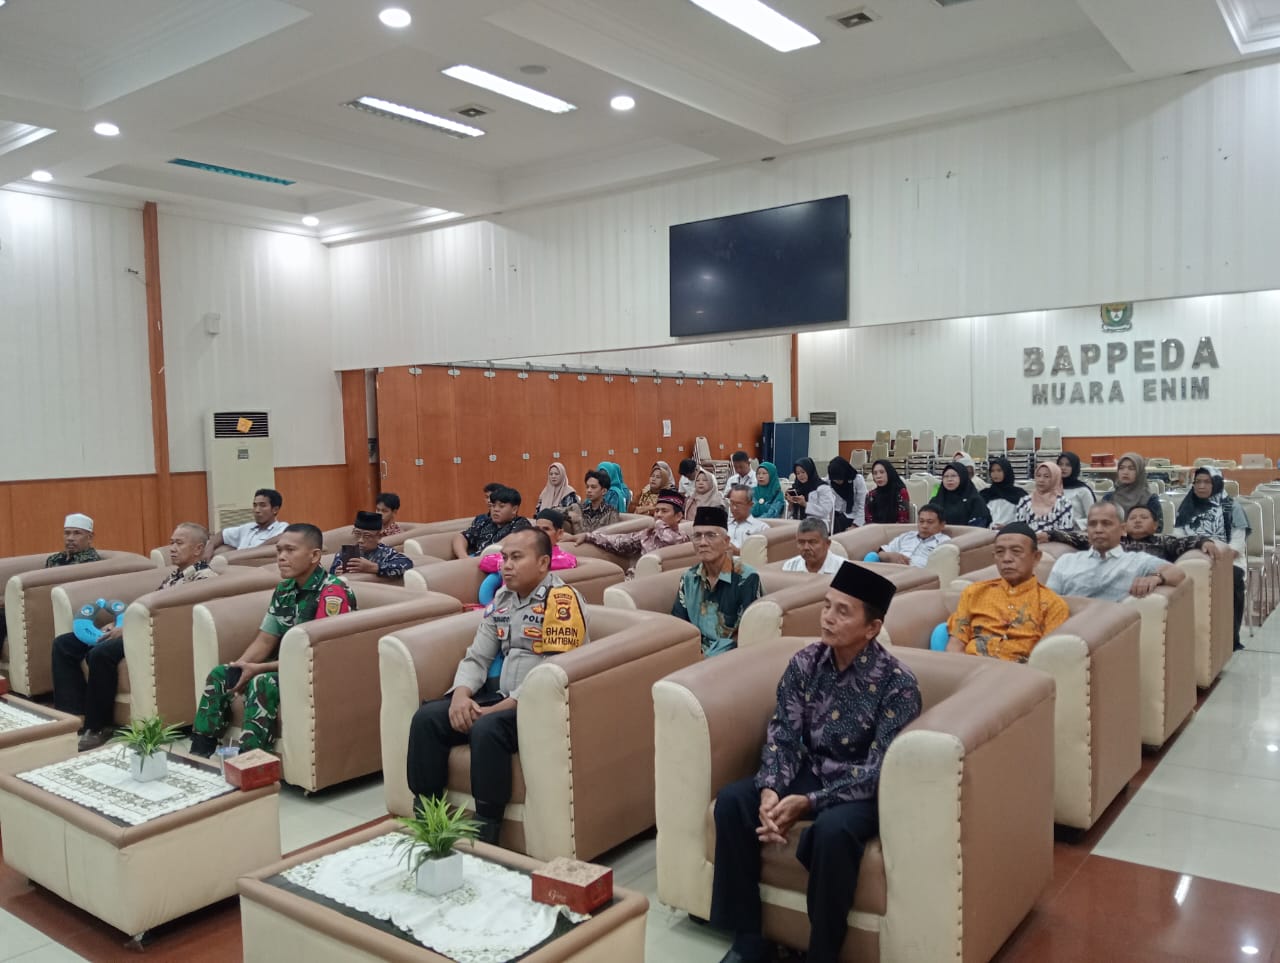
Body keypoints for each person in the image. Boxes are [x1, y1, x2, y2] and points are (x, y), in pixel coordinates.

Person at [709, 562, 920, 963]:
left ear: (872, 627)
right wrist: (771, 788)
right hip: (810, 771)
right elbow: (784, 731)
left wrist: (809, 802)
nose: (828, 618)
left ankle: (822, 953)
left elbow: (882, 769)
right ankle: (749, 939)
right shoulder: (806, 662)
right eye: (826, 606)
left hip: (862, 789)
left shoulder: (898, 684)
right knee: (734, 802)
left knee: (832, 833)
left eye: (843, 611)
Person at [405, 528, 589, 844]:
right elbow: (477, 657)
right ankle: (428, 814)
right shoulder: (502, 600)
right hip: (502, 698)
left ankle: (487, 828)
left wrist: (497, 709)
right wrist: (460, 695)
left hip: (542, 704)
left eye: (517, 557)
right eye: (504, 557)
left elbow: (555, 671)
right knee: (428, 719)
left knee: (487, 728)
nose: (506, 565)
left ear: (543, 563)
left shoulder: (562, 602)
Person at [189, 524, 356, 757]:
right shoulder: (285, 589)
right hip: (285, 665)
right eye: (279, 550)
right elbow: (265, 640)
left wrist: (258, 669)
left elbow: (318, 655)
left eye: (290, 550)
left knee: (262, 682)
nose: (281, 557)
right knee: (221, 674)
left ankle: (252, 760)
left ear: (314, 556)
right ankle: (199, 755)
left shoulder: (332, 593)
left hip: (317, 670)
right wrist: (241, 667)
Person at [53, 523, 216, 751]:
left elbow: (176, 617)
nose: (172, 548)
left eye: (179, 543)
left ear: (198, 549)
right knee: (65, 644)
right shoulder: (175, 574)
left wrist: (128, 628)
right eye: (171, 542)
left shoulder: (204, 578)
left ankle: (97, 726)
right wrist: (119, 623)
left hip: (158, 636)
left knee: (100, 653)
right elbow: (150, 605)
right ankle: (72, 715)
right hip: (139, 626)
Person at [945, 522, 1069, 662]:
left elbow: (1047, 660)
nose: (1006, 559)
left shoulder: (1052, 605)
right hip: (972, 667)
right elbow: (955, 646)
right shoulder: (974, 592)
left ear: (1036, 557)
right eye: (1000, 552)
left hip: (1019, 673)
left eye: (1016, 551)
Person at [1047, 502, 1186, 603]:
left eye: (1106, 523)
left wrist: (1156, 577)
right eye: (1093, 524)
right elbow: (1048, 603)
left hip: (1110, 628)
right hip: (1064, 625)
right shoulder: (1066, 561)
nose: (1098, 529)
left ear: (1123, 529)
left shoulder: (1137, 561)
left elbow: (1178, 573)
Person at [673, 506, 763, 657]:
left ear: (726, 542)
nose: (703, 542)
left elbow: (747, 633)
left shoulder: (746, 578)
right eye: (697, 536)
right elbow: (679, 625)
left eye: (711, 535)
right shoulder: (689, 578)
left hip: (730, 659)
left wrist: (707, 659)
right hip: (692, 656)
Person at [1175, 466, 1248, 649]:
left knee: (1233, 578)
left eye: (1207, 482)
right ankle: (1188, 639)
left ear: (1216, 483)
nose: (1201, 486)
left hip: (1227, 561)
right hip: (1192, 560)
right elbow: (1178, 538)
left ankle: (1230, 639)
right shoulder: (1186, 506)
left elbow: (1237, 545)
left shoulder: (1231, 507)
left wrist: (1216, 561)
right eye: (1197, 482)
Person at [564, 489, 687, 576]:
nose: (658, 515)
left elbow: (670, 540)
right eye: (657, 511)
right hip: (635, 581)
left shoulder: (682, 538)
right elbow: (619, 541)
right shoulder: (648, 534)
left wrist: (658, 524)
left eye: (664, 511)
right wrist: (588, 536)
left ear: (678, 516)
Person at [1048, 503, 1221, 563]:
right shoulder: (1113, 541)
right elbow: (1079, 537)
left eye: (1144, 518)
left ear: (1155, 526)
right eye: (1132, 518)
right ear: (1124, 526)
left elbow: (1184, 541)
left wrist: (1203, 542)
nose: (1137, 521)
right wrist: (1050, 535)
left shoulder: (1162, 541)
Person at [478, 509, 579, 606]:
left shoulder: (565, 559)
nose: (540, 533)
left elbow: (567, 562)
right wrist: (508, 561)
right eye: (537, 529)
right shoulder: (521, 551)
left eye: (546, 529)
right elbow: (485, 562)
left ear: (559, 534)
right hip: (503, 604)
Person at [204, 488, 287, 559]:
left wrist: (249, 553)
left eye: (262, 505)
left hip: (259, 568)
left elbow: (283, 537)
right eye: (255, 505)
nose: (257, 510)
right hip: (235, 566)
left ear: (275, 509)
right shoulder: (247, 528)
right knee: (219, 551)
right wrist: (209, 547)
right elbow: (222, 535)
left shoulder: (281, 527)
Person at [452, 486, 532, 559]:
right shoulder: (485, 522)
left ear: (514, 509)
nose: (495, 509)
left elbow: (512, 541)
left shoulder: (521, 524)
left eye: (501, 506)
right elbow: (461, 537)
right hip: (473, 561)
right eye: (493, 506)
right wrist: (463, 557)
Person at [330, 511, 414, 579]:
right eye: (357, 534)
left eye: (367, 536)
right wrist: (336, 574)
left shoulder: (386, 552)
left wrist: (374, 567)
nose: (360, 540)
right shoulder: (345, 553)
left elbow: (407, 564)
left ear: (379, 537)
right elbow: (329, 577)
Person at [1014, 462, 1075, 539]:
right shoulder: (1025, 501)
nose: (1041, 480)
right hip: (1029, 543)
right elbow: (1018, 529)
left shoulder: (1064, 503)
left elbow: (1067, 533)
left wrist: (1049, 536)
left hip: (1056, 544)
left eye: (1046, 476)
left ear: (1055, 478)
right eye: (1038, 476)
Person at [1102, 453, 1162, 532]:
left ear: (1139, 472)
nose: (1125, 472)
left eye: (1131, 468)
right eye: (1121, 468)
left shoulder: (1150, 500)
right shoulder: (1109, 498)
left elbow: (1158, 529)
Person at [877, 504, 951, 568]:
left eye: (930, 522)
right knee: (872, 556)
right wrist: (890, 556)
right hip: (893, 570)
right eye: (921, 521)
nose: (924, 526)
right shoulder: (907, 536)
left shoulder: (944, 542)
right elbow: (880, 554)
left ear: (942, 525)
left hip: (919, 575)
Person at [932, 462, 991, 528]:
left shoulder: (975, 501)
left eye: (953, 476)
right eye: (946, 476)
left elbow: (978, 527)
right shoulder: (935, 501)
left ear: (963, 477)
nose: (949, 479)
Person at [786, 458, 835, 527]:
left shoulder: (823, 487)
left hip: (818, 523)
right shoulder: (796, 488)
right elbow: (790, 515)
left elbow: (825, 511)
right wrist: (791, 504)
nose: (800, 475)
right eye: (798, 473)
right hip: (797, 522)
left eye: (803, 472)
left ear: (809, 470)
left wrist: (805, 504)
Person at [826, 457, 866, 534]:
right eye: (834, 480)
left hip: (853, 515)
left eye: (839, 479)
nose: (837, 482)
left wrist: (856, 525)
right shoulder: (830, 479)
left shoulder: (857, 480)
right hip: (836, 514)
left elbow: (863, 504)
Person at [982, 456, 1024, 527]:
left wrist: (1008, 527)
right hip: (987, 531)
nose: (995, 474)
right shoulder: (985, 494)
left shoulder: (1019, 494)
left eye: (999, 470)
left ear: (1006, 471)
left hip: (1011, 531)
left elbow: (1024, 519)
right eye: (992, 471)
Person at [1057, 452, 1096, 529]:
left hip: (1077, 531)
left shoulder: (1083, 490)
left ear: (1074, 467)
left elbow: (1094, 519)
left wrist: (1074, 523)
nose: (1063, 468)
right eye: (1060, 464)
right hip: (1053, 531)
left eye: (1068, 465)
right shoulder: (1052, 488)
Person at [864, 459, 909, 525]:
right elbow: (869, 522)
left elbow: (903, 521)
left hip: (895, 530)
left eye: (882, 472)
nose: (878, 476)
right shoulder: (871, 495)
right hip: (875, 530)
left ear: (889, 473)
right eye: (875, 473)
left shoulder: (901, 493)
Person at [727, 485, 769, 549]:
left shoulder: (761, 528)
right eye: (732, 503)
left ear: (750, 505)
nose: (734, 508)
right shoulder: (724, 525)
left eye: (739, 504)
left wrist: (737, 552)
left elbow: (762, 553)